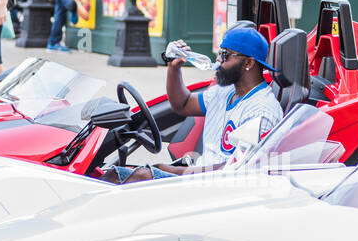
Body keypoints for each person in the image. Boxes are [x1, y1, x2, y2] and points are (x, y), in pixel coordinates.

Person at [107, 27, 283, 183]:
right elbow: (182, 104)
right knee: (114, 175)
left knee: (138, 176)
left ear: (248, 63)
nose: (219, 60)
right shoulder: (225, 91)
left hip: (216, 188)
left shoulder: (262, 110)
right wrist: (174, 68)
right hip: (198, 178)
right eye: (219, 53)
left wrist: (177, 171)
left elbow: (237, 169)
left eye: (225, 55)